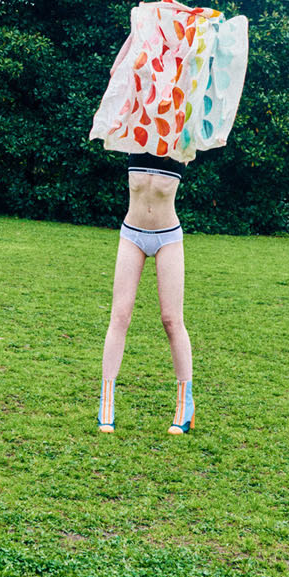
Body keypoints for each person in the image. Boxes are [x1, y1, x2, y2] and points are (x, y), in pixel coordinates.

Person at [96, 150, 193, 435]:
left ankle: (185, 405)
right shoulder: (134, 139)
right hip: (132, 235)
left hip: (168, 238)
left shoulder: (181, 146)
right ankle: (106, 402)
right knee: (120, 316)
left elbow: (204, 133)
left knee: (172, 320)